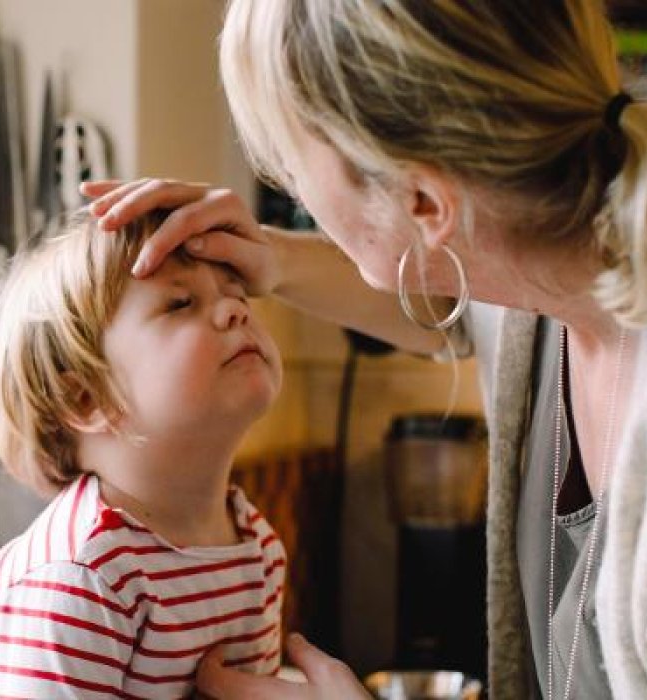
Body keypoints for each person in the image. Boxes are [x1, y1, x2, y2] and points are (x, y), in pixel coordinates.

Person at [82, 1, 647, 698]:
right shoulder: (540, 294)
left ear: (425, 203)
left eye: (292, 162)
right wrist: (272, 258)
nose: (292, 192)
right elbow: (457, 304)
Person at [0, 210, 287, 698]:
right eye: (180, 303)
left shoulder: (255, 544)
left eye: (236, 295)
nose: (234, 311)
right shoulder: (81, 578)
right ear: (86, 400)